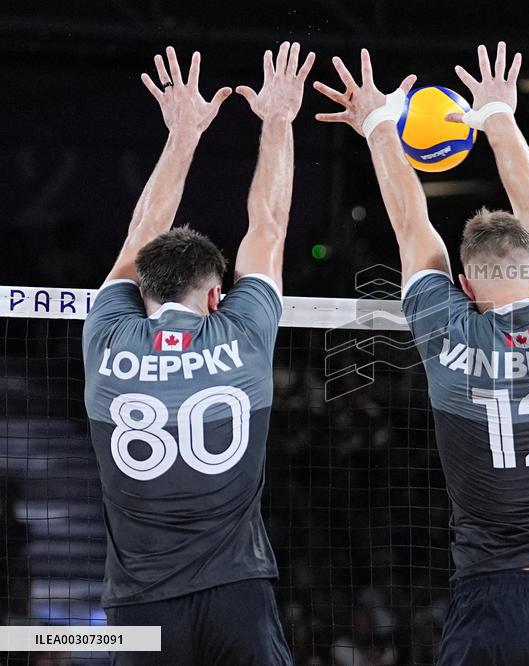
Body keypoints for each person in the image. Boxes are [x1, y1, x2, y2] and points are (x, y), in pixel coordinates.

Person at [314, 42, 529, 665]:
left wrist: (378, 124)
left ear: (463, 285)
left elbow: (411, 225)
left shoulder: (448, 333)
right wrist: (499, 115)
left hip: (490, 597)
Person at [81, 43, 314, 664]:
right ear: (217, 296)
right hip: (236, 594)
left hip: (139, 604)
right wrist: (278, 120)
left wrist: (182, 134)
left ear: (142, 289)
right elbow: (268, 224)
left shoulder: (106, 337)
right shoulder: (243, 334)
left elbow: (141, 233)